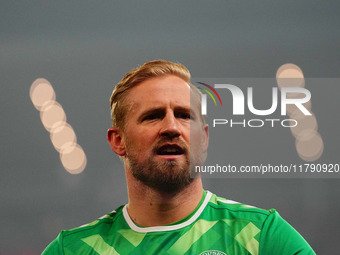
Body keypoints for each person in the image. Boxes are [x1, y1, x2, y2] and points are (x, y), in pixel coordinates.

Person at [43, 60, 316, 254]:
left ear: (204, 139)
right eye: (153, 116)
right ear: (118, 141)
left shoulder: (263, 236)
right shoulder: (73, 249)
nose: (172, 127)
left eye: (185, 116)